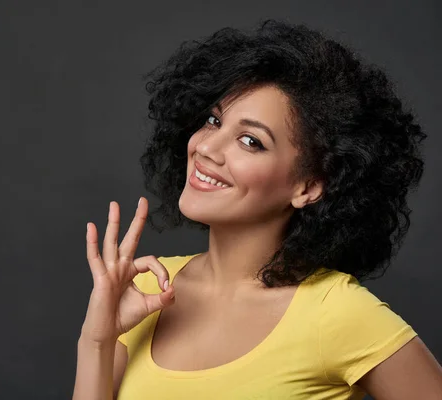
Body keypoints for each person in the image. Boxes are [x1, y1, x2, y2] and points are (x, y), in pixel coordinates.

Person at [72, 20, 442, 399]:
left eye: (250, 141)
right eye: (214, 120)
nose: (206, 148)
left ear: (309, 187)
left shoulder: (337, 314)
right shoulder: (145, 290)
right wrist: (97, 340)